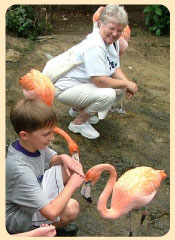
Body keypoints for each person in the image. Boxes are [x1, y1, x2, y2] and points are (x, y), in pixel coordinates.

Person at [53, 4, 138, 140]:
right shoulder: (95, 45)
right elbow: (99, 81)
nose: (115, 33)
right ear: (101, 24)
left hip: (80, 84)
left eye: (119, 30)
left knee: (119, 88)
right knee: (108, 94)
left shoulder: (113, 42)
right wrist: (126, 84)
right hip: (65, 88)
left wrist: (126, 83)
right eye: (112, 28)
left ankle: (77, 110)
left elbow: (114, 67)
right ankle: (78, 123)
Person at [6, 98, 84, 236]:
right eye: (46, 134)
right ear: (24, 135)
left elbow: (51, 160)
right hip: (15, 215)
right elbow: (51, 212)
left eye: (52, 132)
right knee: (71, 208)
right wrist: (72, 185)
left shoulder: (34, 144)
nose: (52, 138)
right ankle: (43, 230)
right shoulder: (19, 169)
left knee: (69, 168)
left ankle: (48, 217)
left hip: (34, 187)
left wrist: (62, 157)